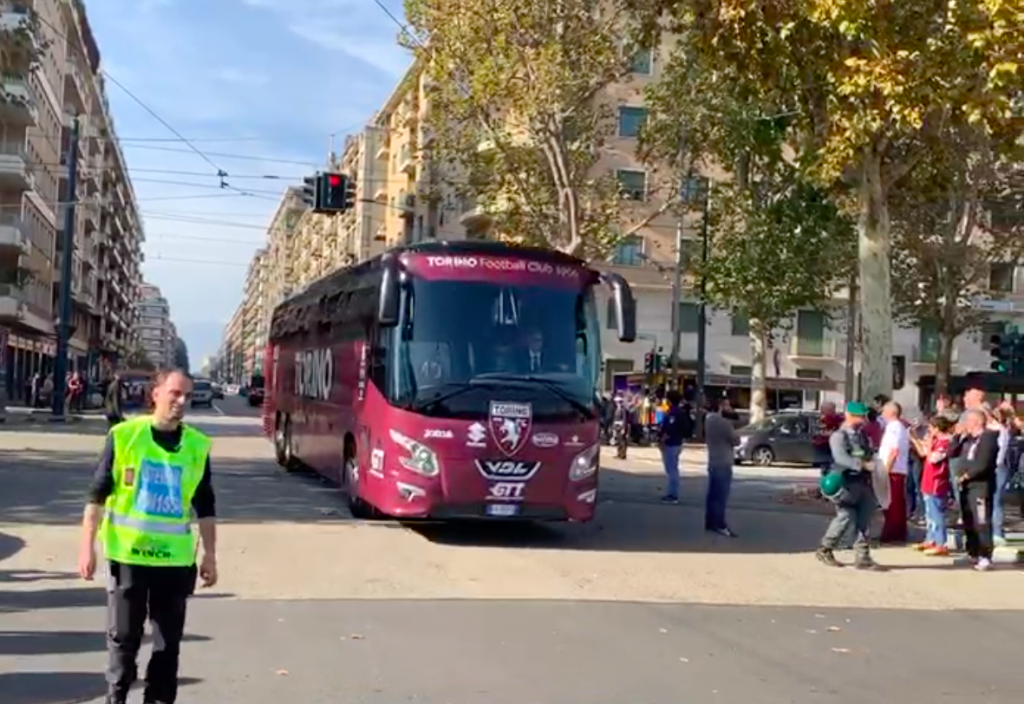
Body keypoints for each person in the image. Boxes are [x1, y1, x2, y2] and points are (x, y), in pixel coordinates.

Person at [77, 369, 218, 704]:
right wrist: (87, 547)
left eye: (187, 395)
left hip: (174, 562)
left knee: (167, 648)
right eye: (175, 393)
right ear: (155, 394)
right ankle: (117, 698)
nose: (181, 401)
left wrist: (210, 555)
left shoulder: (196, 446)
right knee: (124, 643)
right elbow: (97, 495)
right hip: (129, 557)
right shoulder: (124, 436)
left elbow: (205, 504)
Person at [816, 402, 883, 570]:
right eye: (859, 416)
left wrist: (872, 458)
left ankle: (862, 556)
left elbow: (868, 452)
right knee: (845, 517)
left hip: (863, 482)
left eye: (863, 416)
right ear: (849, 415)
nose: (862, 419)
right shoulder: (839, 436)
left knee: (864, 518)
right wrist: (862, 465)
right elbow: (840, 458)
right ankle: (825, 548)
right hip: (845, 483)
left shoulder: (861, 435)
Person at [949, 408, 999, 571]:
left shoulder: (988, 438)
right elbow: (951, 453)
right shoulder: (968, 439)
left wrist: (967, 475)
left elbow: (983, 463)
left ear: (976, 422)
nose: (965, 425)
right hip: (966, 486)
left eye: (967, 422)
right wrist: (957, 436)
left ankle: (985, 555)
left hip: (980, 486)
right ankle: (973, 552)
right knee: (968, 519)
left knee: (981, 521)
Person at [911, 415, 954, 556]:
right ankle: (931, 539)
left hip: (937, 482)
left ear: (937, 428)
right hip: (928, 480)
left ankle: (941, 543)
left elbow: (933, 458)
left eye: (931, 428)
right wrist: (914, 439)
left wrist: (929, 445)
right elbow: (923, 453)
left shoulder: (946, 443)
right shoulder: (936, 441)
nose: (929, 431)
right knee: (929, 512)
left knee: (937, 513)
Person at [704, 397, 739, 537]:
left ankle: (710, 522)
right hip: (724, 462)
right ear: (721, 406)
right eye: (727, 405)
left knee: (712, 495)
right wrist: (731, 418)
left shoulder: (708, 419)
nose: (730, 408)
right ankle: (719, 524)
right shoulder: (723, 423)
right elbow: (736, 440)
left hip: (713, 461)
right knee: (721, 496)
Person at [878, 401, 911, 544]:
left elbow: (893, 450)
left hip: (893, 470)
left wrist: (886, 470)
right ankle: (896, 532)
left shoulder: (895, 428)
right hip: (894, 469)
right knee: (894, 503)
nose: (882, 414)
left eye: (884, 411)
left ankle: (893, 533)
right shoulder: (894, 427)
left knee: (892, 504)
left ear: (891, 412)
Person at [658, 390, 690, 504]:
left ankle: (673, 494)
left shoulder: (673, 412)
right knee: (672, 468)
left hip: (671, 443)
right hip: (677, 442)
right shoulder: (679, 412)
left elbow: (670, 428)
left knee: (671, 469)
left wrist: (663, 439)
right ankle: (672, 493)